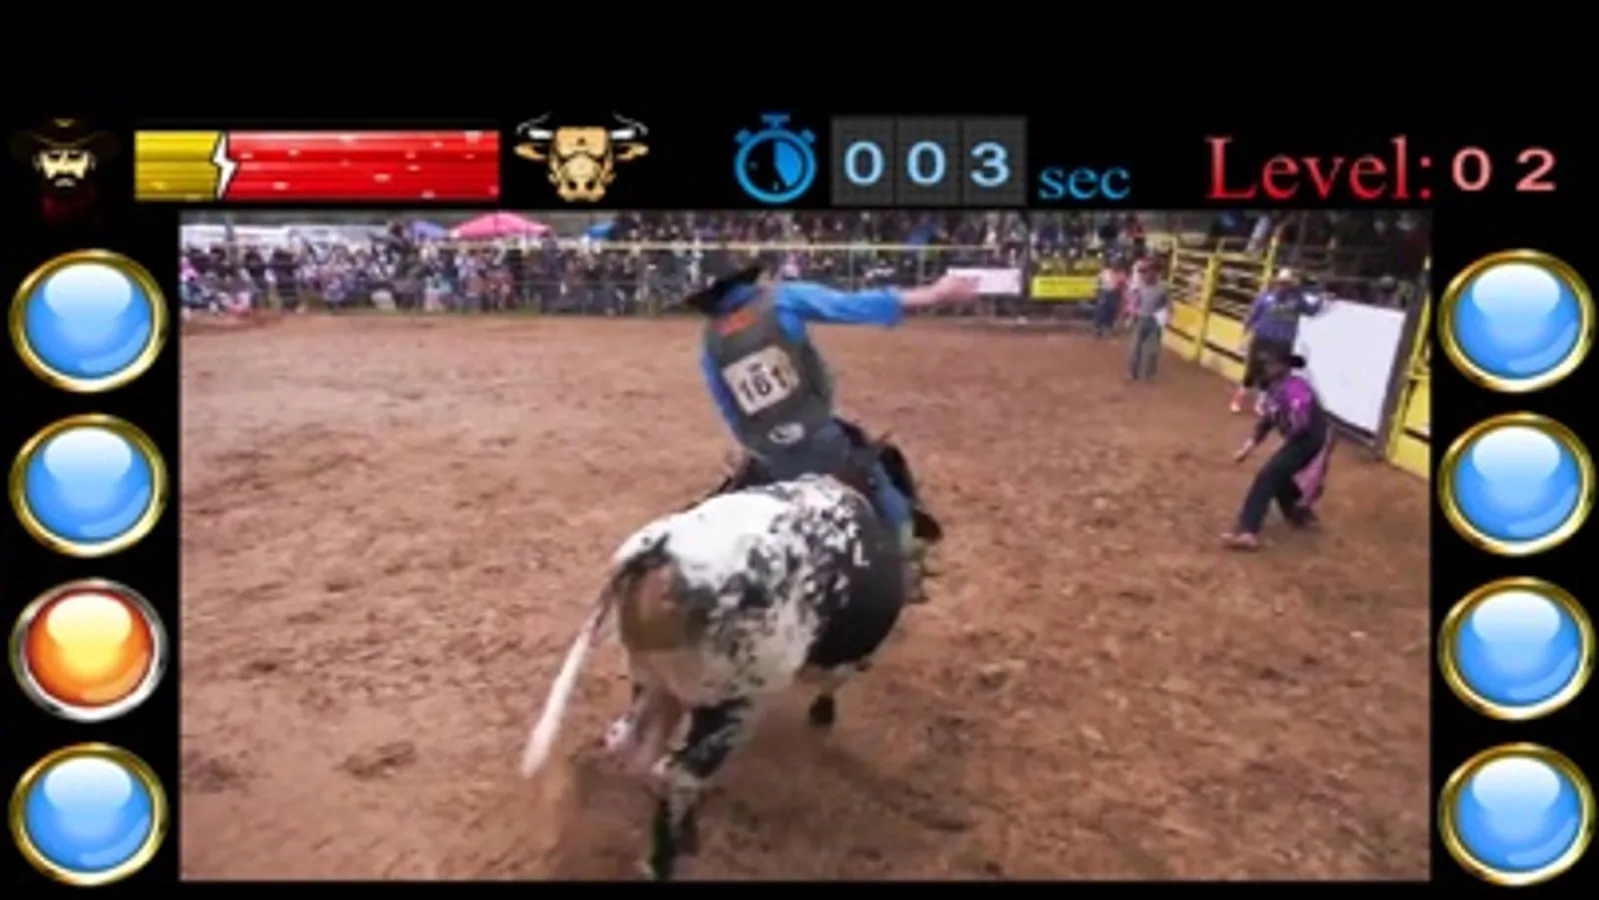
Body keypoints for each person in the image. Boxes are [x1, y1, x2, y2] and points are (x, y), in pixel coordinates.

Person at [685, 264, 980, 602]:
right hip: (818, 437)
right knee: (884, 489)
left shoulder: (710, 342)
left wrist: (763, 445)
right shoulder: (781, 300)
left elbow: (729, 408)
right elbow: (850, 306)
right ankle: (905, 567)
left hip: (769, 453)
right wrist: (934, 294)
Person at [1223, 345, 1335, 551]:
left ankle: (1248, 531)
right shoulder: (1276, 390)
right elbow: (1267, 423)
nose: (1266, 367)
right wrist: (1248, 447)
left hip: (1309, 439)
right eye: (1267, 363)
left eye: (1271, 363)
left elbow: (1301, 422)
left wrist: (1289, 432)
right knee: (1278, 473)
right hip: (1303, 438)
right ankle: (1299, 513)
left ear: (1284, 366)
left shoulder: (1295, 388)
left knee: (1267, 476)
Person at [1231, 268, 1324, 414]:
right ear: (1277, 283)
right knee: (1253, 370)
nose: (1283, 286)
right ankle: (1239, 398)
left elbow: (1311, 310)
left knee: (1272, 374)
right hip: (1263, 339)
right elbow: (1252, 316)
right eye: (1281, 283)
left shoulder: (1297, 299)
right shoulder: (1265, 297)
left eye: (1287, 283)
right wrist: (1243, 337)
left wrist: (1321, 299)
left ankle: (1260, 403)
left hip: (1282, 342)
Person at [1125, 258, 1169, 381]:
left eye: (1149, 271)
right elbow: (1133, 302)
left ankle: (1150, 374)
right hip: (1140, 319)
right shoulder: (1138, 287)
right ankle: (1132, 372)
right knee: (1134, 348)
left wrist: (1166, 316)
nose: (1146, 275)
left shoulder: (1163, 288)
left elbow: (1167, 304)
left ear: (1156, 273)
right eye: (1144, 272)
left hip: (1155, 320)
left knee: (1152, 349)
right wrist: (1131, 315)